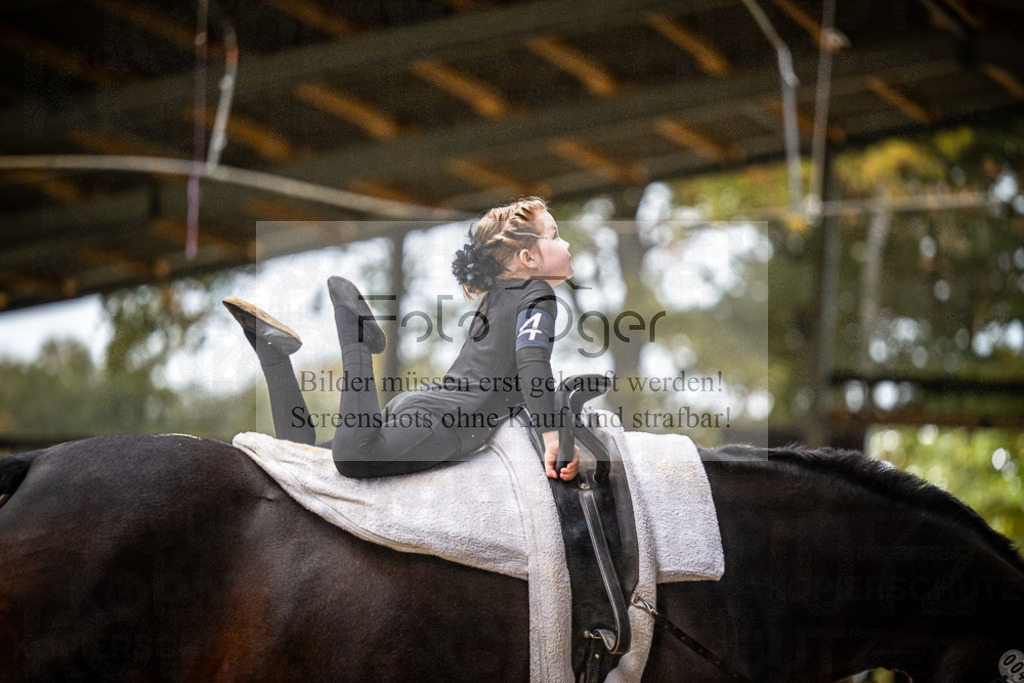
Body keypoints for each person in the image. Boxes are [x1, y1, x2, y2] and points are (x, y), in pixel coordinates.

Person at [223, 197, 579, 481]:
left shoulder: (497, 297)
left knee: (303, 456)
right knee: (353, 456)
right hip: (451, 421)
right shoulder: (537, 292)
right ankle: (354, 331)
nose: (565, 243)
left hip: (426, 406)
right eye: (554, 235)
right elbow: (531, 360)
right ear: (527, 257)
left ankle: (273, 355)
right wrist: (552, 435)